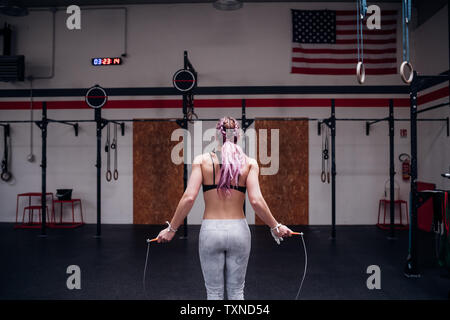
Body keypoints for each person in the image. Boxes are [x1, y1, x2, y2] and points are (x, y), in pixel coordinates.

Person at [157, 116, 293, 300]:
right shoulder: (249, 163)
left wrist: (171, 229)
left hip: (210, 232)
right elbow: (256, 201)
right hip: (239, 231)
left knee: (214, 293)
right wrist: (275, 226)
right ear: (238, 136)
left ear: (215, 136)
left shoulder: (202, 161)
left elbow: (189, 197)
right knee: (237, 293)